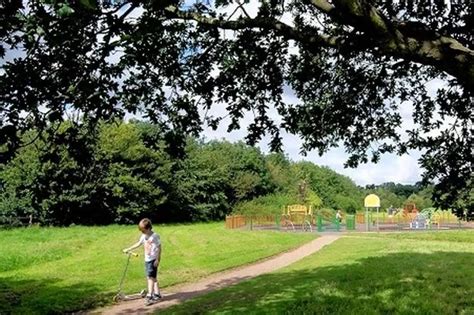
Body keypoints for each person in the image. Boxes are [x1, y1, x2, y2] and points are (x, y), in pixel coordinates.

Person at [123, 218, 162, 305]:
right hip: (147, 260)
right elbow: (138, 243)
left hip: (153, 260)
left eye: (143, 231)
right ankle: (157, 294)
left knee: (150, 278)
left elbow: (159, 248)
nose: (142, 233)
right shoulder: (144, 236)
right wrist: (128, 249)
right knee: (153, 277)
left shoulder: (155, 236)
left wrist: (157, 259)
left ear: (148, 229)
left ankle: (149, 296)